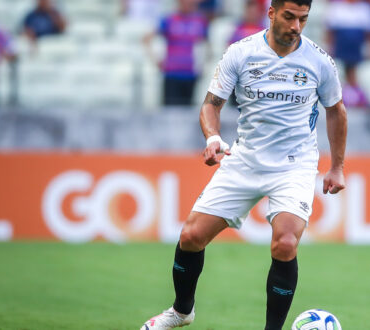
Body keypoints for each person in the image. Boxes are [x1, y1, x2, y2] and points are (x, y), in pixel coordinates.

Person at [139, 0, 347, 328]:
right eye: (289, 17)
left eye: (303, 19)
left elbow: (336, 110)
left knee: (285, 242)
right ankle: (181, 312)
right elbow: (211, 105)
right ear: (272, 13)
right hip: (245, 159)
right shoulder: (241, 52)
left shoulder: (319, 61)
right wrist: (212, 138)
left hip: (294, 166)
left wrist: (336, 167)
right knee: (191, 236)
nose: (296, 26)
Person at [144, 0, 209, 106]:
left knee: (187, 112)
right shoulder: (169, 20)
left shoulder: (200, 21)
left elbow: (206, 44)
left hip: (190, 74)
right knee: (170, 112)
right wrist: (156, 60)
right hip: (172, 74)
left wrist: (204, 64)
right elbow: (146, 39)